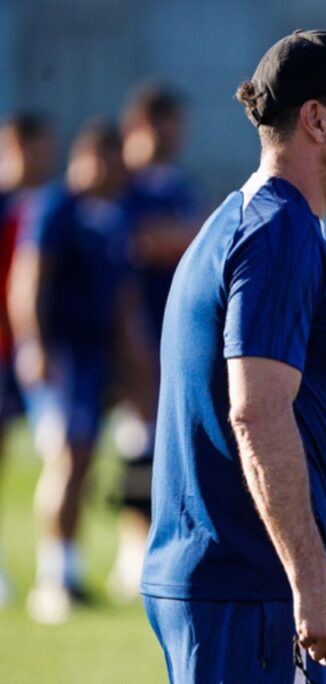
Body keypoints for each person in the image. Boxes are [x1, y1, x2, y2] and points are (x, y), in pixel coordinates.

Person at [140, 30, 326, 682]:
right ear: (317, 121)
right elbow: (258, 412)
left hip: (223, 584)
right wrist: (311, 581)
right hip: (250, 590)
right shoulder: (279, 233)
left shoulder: (242, 219)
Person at [8, 120, 142, 623]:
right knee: (68, 454)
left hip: (97, 356)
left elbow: (123, 294)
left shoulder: (115, 216)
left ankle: (72, 567)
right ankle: (53, 578)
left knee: (86, 460)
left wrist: (134, 357)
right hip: (63, 352)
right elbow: (30, 277)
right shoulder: (57, 206)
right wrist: (34, 344)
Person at [106, 81, 203, 602]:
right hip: (128, 331)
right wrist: (177, 235)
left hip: (172, 332)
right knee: (132, 438)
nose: (177, 136)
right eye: (168, 125)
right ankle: (129, 548)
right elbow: (139, 243)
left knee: (163, 439)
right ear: (143, 125)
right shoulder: (125, 184)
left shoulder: (178, 185)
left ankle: (154, 548)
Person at [0, 111, 56, 606]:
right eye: (39, 148)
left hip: (28, 352)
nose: (46, 158)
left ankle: (55, 568)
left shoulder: (45, 204)